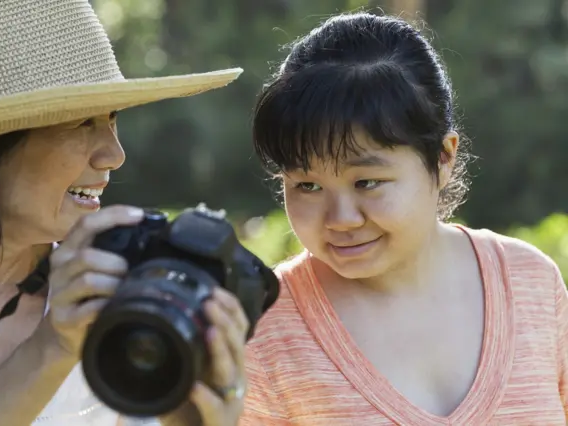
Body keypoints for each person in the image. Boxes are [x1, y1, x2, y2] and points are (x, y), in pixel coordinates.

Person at [0, 0, 249, 425]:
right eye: (81, 122)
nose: (114, 155)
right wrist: (53, 347)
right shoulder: (78, 314)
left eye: (112, 118)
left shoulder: (122, 303)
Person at [240, 12, 568, 425]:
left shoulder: (531, 284)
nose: (340, 219)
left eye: (367, 183)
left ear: (443, 157)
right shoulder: (263, 327)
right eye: (307, 186)